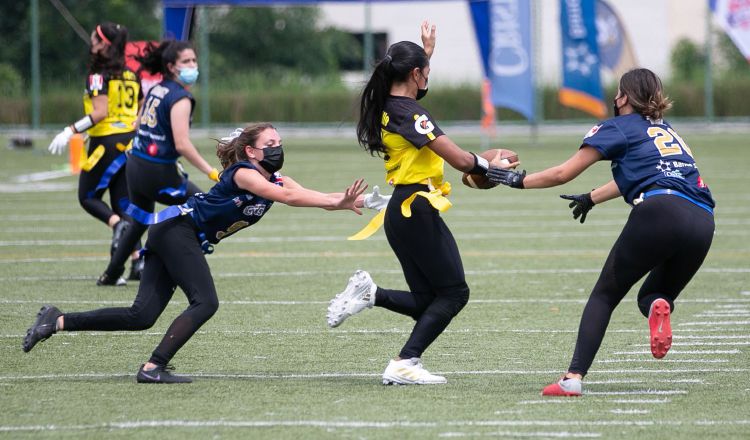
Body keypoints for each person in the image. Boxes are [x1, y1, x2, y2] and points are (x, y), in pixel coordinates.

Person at [23, 123, 369, 383]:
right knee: (206, 302)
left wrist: (355, 201)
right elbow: (292, 199)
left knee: (140, 316)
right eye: (271, 144)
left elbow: (315, 197)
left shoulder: (277, 178)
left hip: (171, 232)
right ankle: (153, 367)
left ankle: (56, 320)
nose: (278, 148)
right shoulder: (245, 174)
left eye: (279, 142)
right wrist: (336, 201)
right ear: (251, 151)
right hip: (177, 232)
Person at [486, 68, 715, 396]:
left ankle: (573, 378)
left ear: (623, 97)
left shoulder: (618, 127)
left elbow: (564, 172)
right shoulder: (669, 132)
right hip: (703, 220)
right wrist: (592, 197)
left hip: (660, 211)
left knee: (605, 295)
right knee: (652, 296)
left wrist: (515, 179)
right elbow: (639, 175)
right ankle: (657, 309)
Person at [326, 22, 508, 385]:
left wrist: (427, 53)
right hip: (415, 208)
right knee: (455, 293)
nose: (428, 76)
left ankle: (371, 294)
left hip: (403, 211)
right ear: (415, 74)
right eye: (425, 71)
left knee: (429, 301)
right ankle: (404, 361)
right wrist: (500, 172)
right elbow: (458, 159)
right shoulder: (409, 114)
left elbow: (411, 93)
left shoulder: (390, 105)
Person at [98, 40, 219, 286]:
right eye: (187, 61)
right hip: (158, 172)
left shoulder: (157, 88)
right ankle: (177, 265)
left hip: (136, 166)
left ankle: (111, 273)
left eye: (194, 60)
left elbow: (139, 123)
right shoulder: (181, 98)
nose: (193, 66)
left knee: (139, 221)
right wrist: (210, 171)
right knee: (205, 209)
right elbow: (182, 145)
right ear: (172, 66)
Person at [47, 22, 142, 275]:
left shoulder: (99, 74)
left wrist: (71, 130)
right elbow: (142, 105)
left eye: (94, 39)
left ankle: (117, 225)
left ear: (103, 44)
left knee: (88, 197)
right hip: (130, 141)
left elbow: (100, 113)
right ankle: (137, 260)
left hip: (107, 141)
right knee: (123, 201)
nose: (91, 43)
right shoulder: (131, 73)